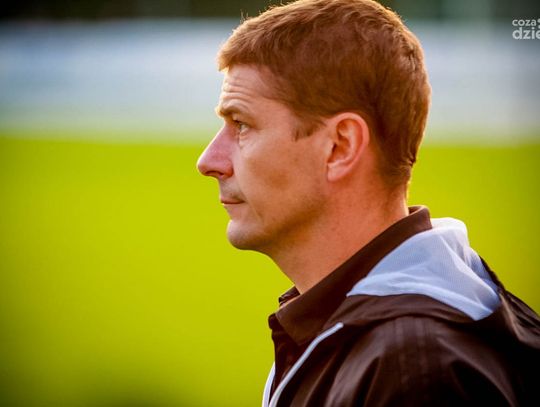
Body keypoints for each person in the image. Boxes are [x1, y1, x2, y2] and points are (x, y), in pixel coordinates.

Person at [196, 0, 540, 405]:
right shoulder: (362, 330)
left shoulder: (413, 374)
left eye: (241, 124)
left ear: (340, 147)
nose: (208, 162)